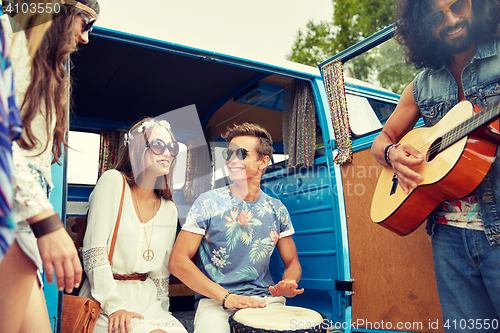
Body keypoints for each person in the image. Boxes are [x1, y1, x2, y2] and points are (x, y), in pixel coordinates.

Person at [372, 0, 500, 330]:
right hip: (449, 239)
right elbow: (382, 139)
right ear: (421, 26)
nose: (452, 20)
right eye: (437, 16)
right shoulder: (421, 86)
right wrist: (392, 155)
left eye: (458, 6)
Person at [0, 1, 100, 332]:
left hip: (23, 221)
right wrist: (46, 221)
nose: (86, 38)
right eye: (86, 22)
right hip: (10, 221)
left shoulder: (42, 64)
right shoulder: (10, 35)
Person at [169, 122, 304, 333]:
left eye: (241, 154)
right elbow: (177, 262)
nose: (232, 160)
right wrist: (227, 298)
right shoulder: (208, 203)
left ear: (263, 162)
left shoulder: (277, 209)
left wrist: (288, 282)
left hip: (265, 301)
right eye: (229, 154)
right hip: (216, 302)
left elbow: (292, 262)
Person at [78, 118, 188, 333]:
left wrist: (163, 312)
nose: (167, 153)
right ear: (138, 149)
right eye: (158, 145)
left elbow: (160, 274)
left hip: (148, 302)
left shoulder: (169, 209)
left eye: (172, 147)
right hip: (104, 299)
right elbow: (94, 252)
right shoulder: (113, 182)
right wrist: (115, 307)